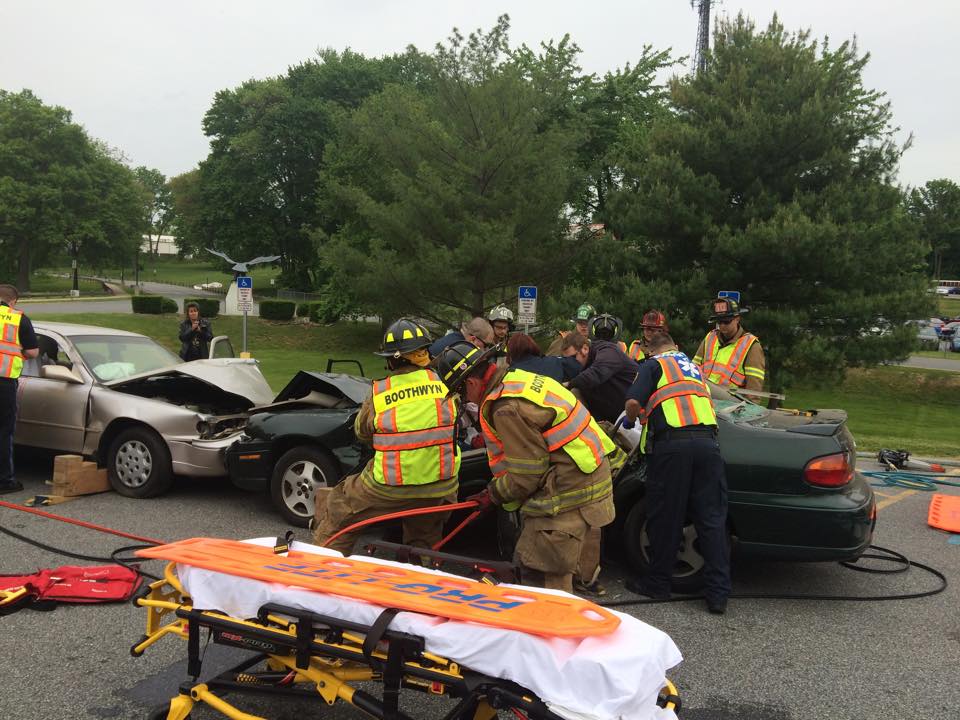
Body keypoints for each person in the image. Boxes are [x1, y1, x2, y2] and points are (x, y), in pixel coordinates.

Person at [313, 318, 460, 554]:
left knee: (340, 506)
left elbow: (362, 432)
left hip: (389, 485)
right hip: (441, 486)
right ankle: (421, 573)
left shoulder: (382, 392)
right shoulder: (445, 384)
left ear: (392, 359)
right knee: (424, 536)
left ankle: (320, 567)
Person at [468, 362, 616, 594]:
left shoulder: (506, 407)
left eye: (460, 391)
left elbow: (526, 475)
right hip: (592, 477)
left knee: (541, 578)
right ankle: (584, 590)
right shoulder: (521, 379)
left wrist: (493, 494)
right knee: (577, 560)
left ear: (472, 383)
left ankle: (558, 624)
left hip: (566, 495)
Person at [622, 332, 730, 614]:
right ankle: (718, 594)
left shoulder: (652, 365)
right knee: (711, 519)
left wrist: (633, 419)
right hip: (708, 446)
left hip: (674, 448)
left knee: (666, 517)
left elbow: (633, 403)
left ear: (650, 350)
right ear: (677, 347)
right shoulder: (694, 369)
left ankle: (657, 585)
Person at [562, 316, 640, 423]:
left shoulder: (607, 350)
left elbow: (597, 373)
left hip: (636, 417)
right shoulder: (583, 368)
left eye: (573, 357)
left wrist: (568, 384)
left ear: (585, 349)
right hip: (614, 419)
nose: (570, 363)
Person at [0, 284, 39, 495]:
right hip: (4, 383)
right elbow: (33, 352)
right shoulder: (18, 318)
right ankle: (4, 481)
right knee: (4, 432)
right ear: (13, 301)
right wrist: (19, 352)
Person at [693, 297, 765, 391]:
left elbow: (754, 389)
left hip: (732, 404)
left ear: (737, 319)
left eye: (727, 321)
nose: (722, 325)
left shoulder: (751, 345)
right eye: (719, 321)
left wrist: (750, 406)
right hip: (705, 399)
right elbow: (694, 368)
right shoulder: (710, 337)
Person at [505, 333, 581, 383]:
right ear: (533, 346)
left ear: (511, 353)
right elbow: (578, 367)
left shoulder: (508, 375)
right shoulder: (555, 362)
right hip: (554, 406)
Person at [428, 316, 496, 358]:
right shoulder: (458, 350)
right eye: (486, 345)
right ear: (473, 339)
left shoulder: (455, 338)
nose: (486, 350)